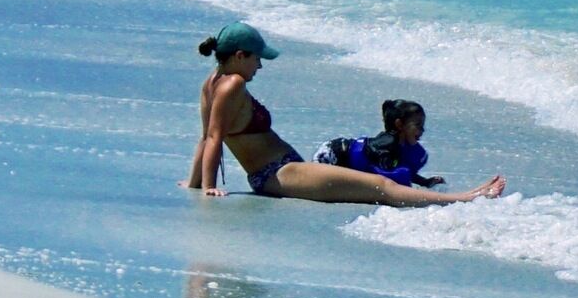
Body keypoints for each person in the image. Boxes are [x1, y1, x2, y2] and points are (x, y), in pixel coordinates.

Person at [187, 26, 503, 205]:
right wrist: (209, 188)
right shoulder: (234, 85)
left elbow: (206, 136)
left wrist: (195, 182)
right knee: (378, 186)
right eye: (257, 59)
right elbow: (214, 136)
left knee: (373, 184)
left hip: (282, 170)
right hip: (276, 173)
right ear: (240, 56)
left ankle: (465, 197)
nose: (260, 66)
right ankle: (466, 199)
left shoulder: (211, 83)